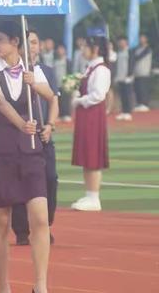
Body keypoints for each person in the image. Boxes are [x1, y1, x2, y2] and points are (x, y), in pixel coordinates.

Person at [0, 20, 54, 293]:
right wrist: (21, 124)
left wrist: (49, 123)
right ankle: (4, 286)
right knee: (1, 221)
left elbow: (52, 97)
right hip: (1, 153)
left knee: (39, 218)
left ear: (15, 42)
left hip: (31, 153)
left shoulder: (33, 71)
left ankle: (41, 285)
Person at [11, 28, 59, 247]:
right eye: (27, 42)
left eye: (35, 42)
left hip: (43, 133)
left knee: (49, 179)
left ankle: (44, 225)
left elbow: (53, 100)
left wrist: (50, 125)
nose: (32, 47)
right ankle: (22, 229)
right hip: (20, 133)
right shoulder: (12, 72)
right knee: (20, 182)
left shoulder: (47, 71)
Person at [71, 36, 111, 211]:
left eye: (84, 46)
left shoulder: (101, 70)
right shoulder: (91, 68)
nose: (82, 50)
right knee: (87, 154)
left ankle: (94, 197)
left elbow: (98, 95)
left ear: (95, 49)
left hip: (93, 116)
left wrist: (80, 101)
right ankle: (89, 194)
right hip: (87, 115)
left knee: (93, 155)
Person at [132, 34, 152, 112]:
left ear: (146, 39)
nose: (141, 40)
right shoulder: (137, 49)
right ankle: (139, 103)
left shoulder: (147, 49)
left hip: (144, 71)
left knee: (143, 88)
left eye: (143, 38)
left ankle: (145, 104)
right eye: (140, 38)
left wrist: (133, 57)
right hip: (136, 72)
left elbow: (138, 57)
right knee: (137, 88)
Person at [115, 36, 133, 121]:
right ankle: (123, 111)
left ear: (126, 42)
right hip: (120, 77)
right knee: (122, 95)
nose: (121, 44)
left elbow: (132, 63)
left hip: (127, 77)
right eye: (120, 42)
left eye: (123, 42)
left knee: (127, 95)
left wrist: (129, 74)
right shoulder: (118, 52)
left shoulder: (129, 52)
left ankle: (128, 112)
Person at [53, 43, 72, 122]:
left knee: (66, 99)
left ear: (65, 50)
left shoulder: (67, 61)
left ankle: (66, 114)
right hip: (57, 84)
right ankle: (60, 115)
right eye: (59, 49)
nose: (60, 51)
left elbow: (70, 71)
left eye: (62, 49)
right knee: (59, 100)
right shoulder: (55, 62)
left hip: (66, 83)